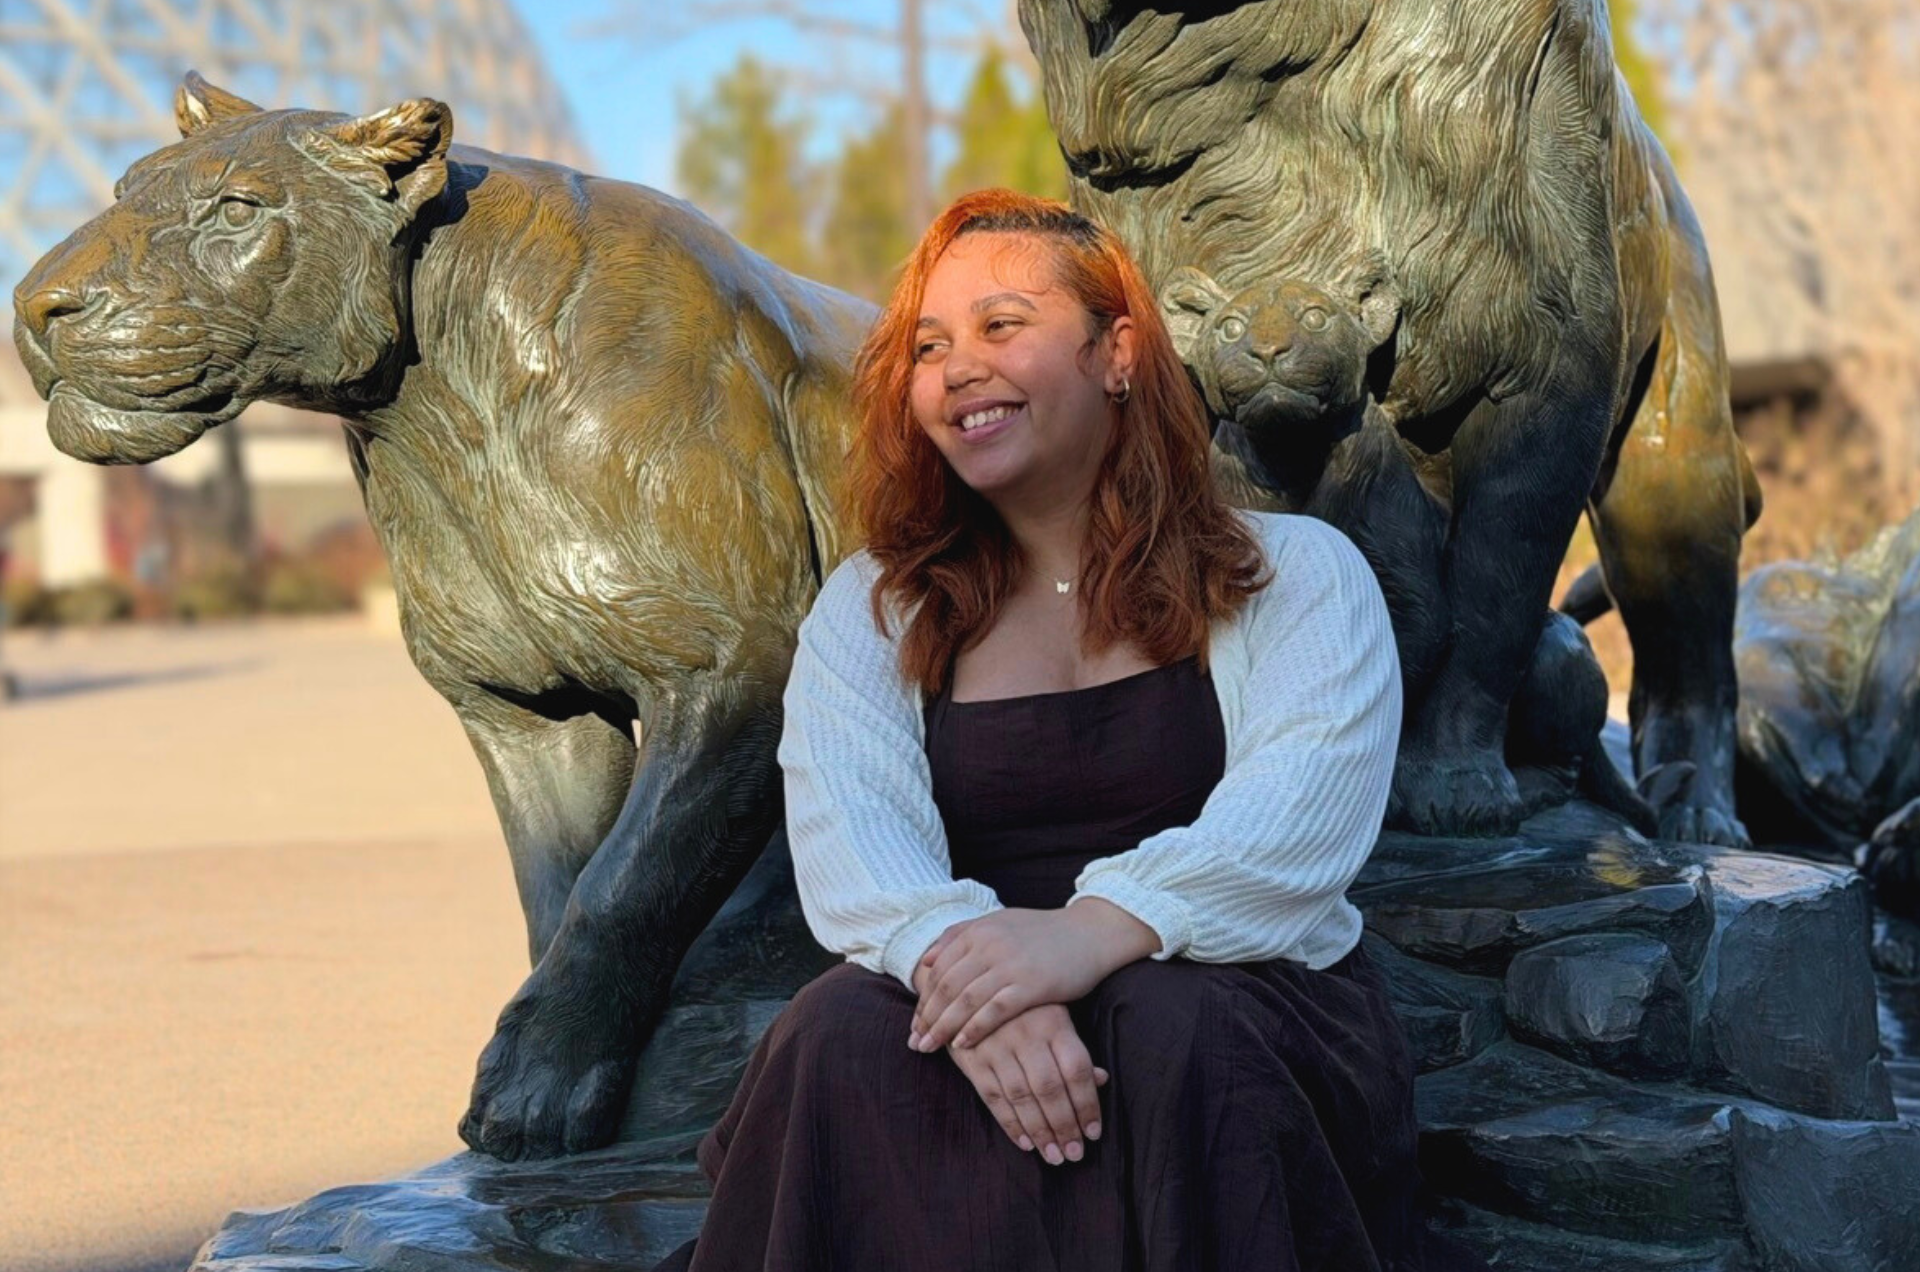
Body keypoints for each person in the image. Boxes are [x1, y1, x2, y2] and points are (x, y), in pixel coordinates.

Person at [653, 190, 1485, 1271]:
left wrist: (1084, 937)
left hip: (1232, 1012)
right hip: (973, 997)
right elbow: (851, 841)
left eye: (1003, 326)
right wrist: (987, 988)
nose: (956, 369)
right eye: (927, 345)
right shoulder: (873, 606)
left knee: (1169, 1018)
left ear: (1119, 352)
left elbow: (1298, 825)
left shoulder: (1293, 574)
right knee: (837, 1031)